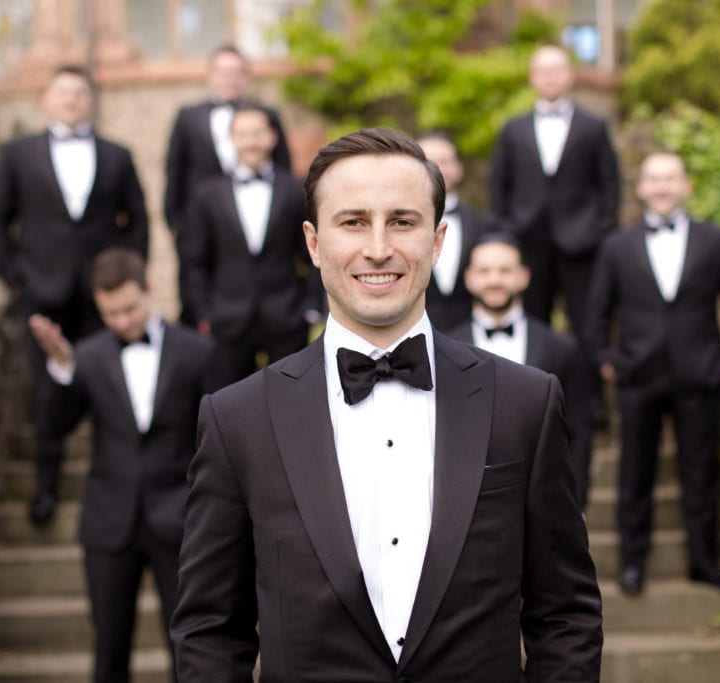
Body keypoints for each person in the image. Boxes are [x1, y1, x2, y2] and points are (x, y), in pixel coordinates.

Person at [171, 127, 602, 681]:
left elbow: (565, 615)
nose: (379, 247)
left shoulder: (526, 402)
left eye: (403, 221)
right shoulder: (238, 420)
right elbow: (209, 633)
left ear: (439, 241)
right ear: (314, 242)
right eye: (353, 222)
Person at [29, 248, 214, 682]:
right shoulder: (87, 357)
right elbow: (54, 428)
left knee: (187, 649)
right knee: (109, 651)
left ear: (148, 292)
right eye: (110, 313)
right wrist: (60, 369)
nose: (122, 321)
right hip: (108, 524)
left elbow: (216, 440)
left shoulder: (197, 352)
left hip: (180, 522)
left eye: (129, 308)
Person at [0, 64, 148, 525]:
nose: (72, 100)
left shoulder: (118, 155)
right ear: (47, 100)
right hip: (43, 288)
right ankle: (46, 489)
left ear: (91, 99)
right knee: (46, 393)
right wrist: (14, 276)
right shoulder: (17, 154)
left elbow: (137, 220)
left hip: (104, 297)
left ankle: (115, 490)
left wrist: (128, 276)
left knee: (111, 389)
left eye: (80, 92)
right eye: (63, 93)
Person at [586, 152, 720, 596]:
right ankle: (632, 564)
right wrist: (608, 360)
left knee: (700, 473)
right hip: (637, 377)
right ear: (640, 188)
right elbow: (596, 312)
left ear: (686, 186)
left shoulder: (717, 241)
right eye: (653, 179)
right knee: (633, 472)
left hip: (700, 376)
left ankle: (703, 561)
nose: (662, 187)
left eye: (670, 178)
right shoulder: (616, 246)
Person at [488, 44, 619, 421]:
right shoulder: (512, 129)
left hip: (582, 242)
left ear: (569, 75)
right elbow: (500, 186)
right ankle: (536, 403)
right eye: (542, 71)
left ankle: (591, 404)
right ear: (533, 78)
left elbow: (609, 185)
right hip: (528, 244)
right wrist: (506, 234)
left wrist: (602, 232)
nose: (549, 77)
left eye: (556, 70)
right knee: (533, 320)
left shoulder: (594, 126)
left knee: (587, 324)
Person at [176, 103, 319, 389]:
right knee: (229, 404)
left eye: (258, 133)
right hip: (226, 319)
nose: (251, 141)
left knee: (292, 398)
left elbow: (315, 251)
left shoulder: (296, 190)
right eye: (243, 134)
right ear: (232, 139)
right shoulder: (207, 196)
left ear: (272, 137)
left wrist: (311, 308)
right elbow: (194, 261)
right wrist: (203, 313)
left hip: (287, 316)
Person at [448, 232, 593, 510]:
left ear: (524, 276)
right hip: (467, 506)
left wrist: (576, 503)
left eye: (505, 270)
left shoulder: (562, 349)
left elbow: (579, 433)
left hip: (545, 501)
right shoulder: (444, 349)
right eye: (485, 271)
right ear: (469, 278)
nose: (494, 280)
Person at [164, 44, 290, 235]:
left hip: (255, 214)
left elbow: (282, 163)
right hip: (200, 217)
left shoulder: (266, 114)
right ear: (210, 75)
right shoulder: (187, 116)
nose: (230, 79)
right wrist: (174, 220)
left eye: (236, 72)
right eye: (223, 72)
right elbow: (175, 168)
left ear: (245, 76)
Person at [417, 132, 496, 332]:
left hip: (473, 342)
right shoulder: (396, 225)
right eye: (427, 161)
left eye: (445, 161)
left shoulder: (485, 224)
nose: (437, 168)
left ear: (459, 168)